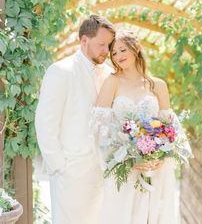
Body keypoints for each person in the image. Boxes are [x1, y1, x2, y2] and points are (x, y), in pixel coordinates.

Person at [93, 30, 193, 224]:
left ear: (136, 48)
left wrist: (160, 158)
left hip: (154, 169)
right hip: (124, 168)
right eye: (113, 53)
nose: (118, 56)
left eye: (122, 50)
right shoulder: (112, 82)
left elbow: (170, 128)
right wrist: (124, 156)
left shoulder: (158, 85)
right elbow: (99, 127)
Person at [35, 15, 115, 224]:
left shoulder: (110, 74)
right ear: (84, 41)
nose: (106, 51)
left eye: (109, 45)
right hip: (70, 172)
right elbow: (45, 122)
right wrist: (60, 166)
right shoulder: (61, 71)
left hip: (101, 172)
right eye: (101, 44)